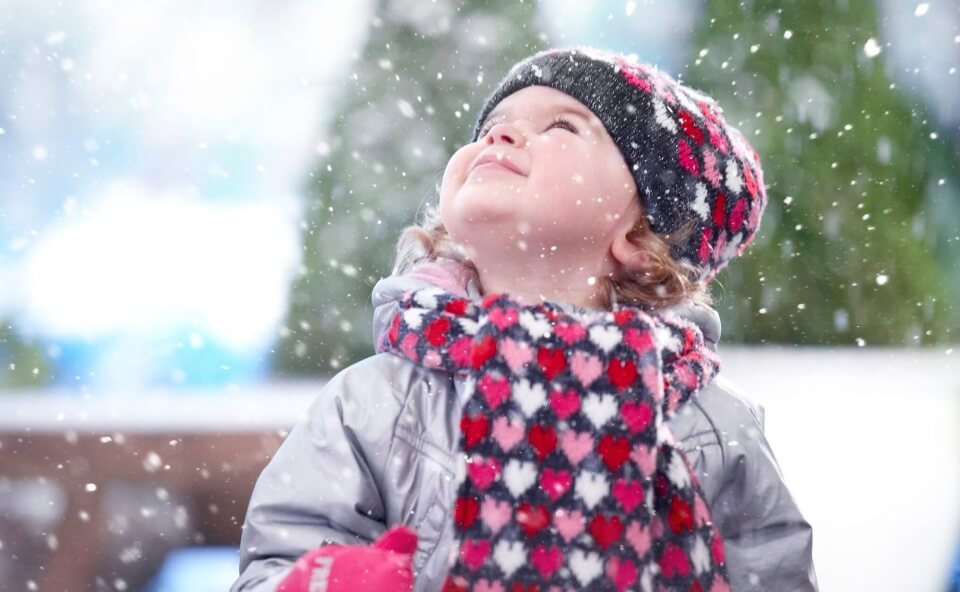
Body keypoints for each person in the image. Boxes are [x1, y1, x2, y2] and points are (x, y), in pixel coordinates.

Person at [231, 47, 818, 592]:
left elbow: (774, 572)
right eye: (491, 128)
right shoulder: (379, 401)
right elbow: (274, 559)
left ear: (641, 238)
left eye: (562, 125)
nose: (501, 134)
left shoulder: (708, 421)